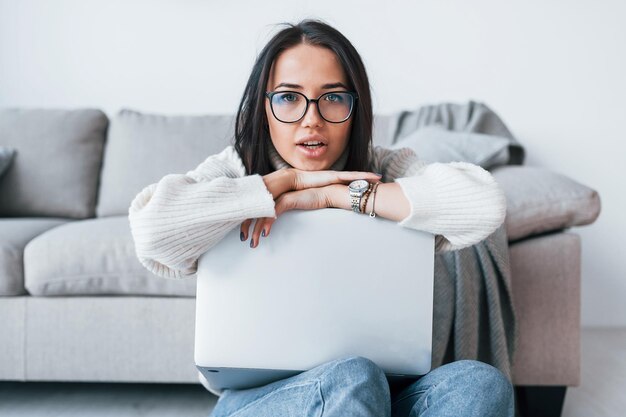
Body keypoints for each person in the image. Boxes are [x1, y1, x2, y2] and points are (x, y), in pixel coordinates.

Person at [128, 18, 514, 417]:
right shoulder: (234, 171)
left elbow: (483, 204)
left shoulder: (383, 167)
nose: (311, 118)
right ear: (264, 107)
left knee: (478, 383)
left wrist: (339, 195)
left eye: (331, 98)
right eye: (289, 98)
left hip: (387, 390)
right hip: (267, 399)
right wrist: (282, 183)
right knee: (351, 376)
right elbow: (152, 231)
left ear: (354, 107)